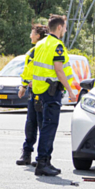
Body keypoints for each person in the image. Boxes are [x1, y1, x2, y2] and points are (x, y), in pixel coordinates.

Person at [29, 15, 79, 176]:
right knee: (49, 128)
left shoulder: (41, 44)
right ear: (59, 27)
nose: (65, 30)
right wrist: (70, 90)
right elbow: (59, 69)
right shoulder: (57, 45)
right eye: (64, 27)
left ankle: (44, 161)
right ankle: (43, 162)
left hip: (39, 91)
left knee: (44, 127)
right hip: (51, 92)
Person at [17, 23, 49, 166]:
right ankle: (27, 154)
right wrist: (24, 84)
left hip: (40, 91)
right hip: (34, 90)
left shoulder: (38, 50)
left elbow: (30, 70)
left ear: (38, 35)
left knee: (39, 123)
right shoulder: (33, 51)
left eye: (32, 33)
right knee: (31, 123)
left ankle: (40, 156)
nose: (30, 35)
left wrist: (24, 85)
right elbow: (28, 71)